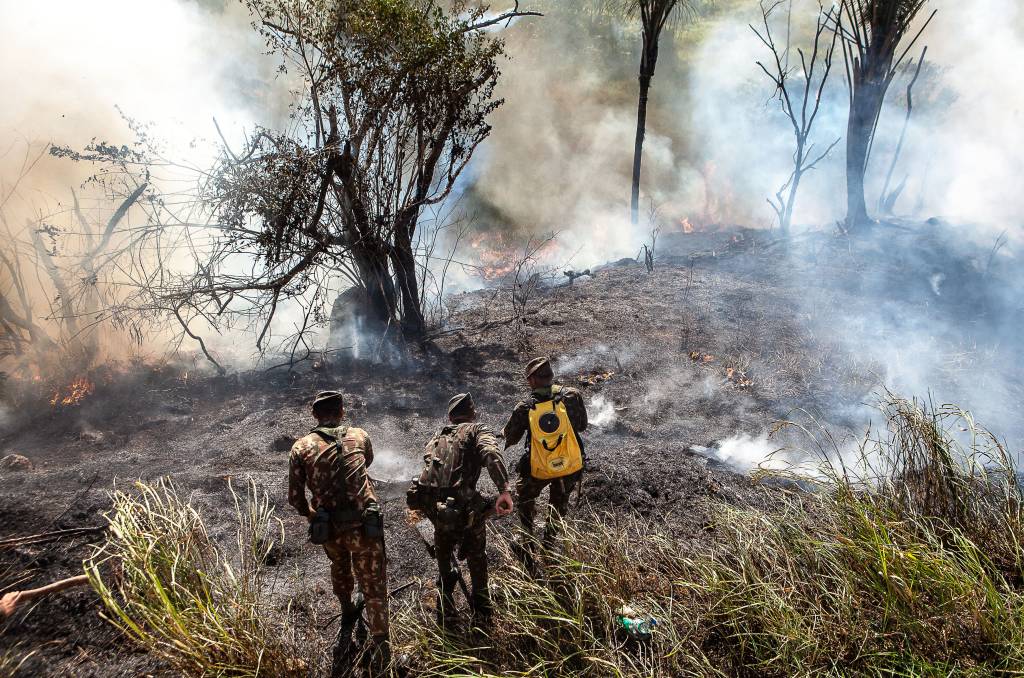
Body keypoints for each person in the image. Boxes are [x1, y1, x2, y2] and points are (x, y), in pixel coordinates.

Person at [288, 390, 390, 675]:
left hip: (330, 527)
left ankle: (347, 610)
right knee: (374, 584)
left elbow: (295, 498)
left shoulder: (300, 447)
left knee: (340, 566)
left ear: (315, 415)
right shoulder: (360, 435)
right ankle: (383, 649)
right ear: (342, 411)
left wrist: (312, 514)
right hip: (365, 526)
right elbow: (366, 463)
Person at [407, 392, 514, 626]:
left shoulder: (439, 435)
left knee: (444, 555)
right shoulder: (477, 429)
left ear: (450, 417)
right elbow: (492, 454)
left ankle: (446, 610)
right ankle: (483, 612)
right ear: (473, 412)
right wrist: (504, 489)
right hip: (463, 506)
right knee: (477, 557)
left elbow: (428, 462)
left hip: (434, 507)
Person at [503, 357, 588, 551]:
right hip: (569, 464)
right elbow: (582, 426)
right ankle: (549, 541)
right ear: (551, 376)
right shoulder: (572, 396)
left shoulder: (524, 407)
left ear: (532, 380)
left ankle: (527, 537)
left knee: (524, 496)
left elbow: (511, 439)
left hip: (538, 467)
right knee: (559, 503)